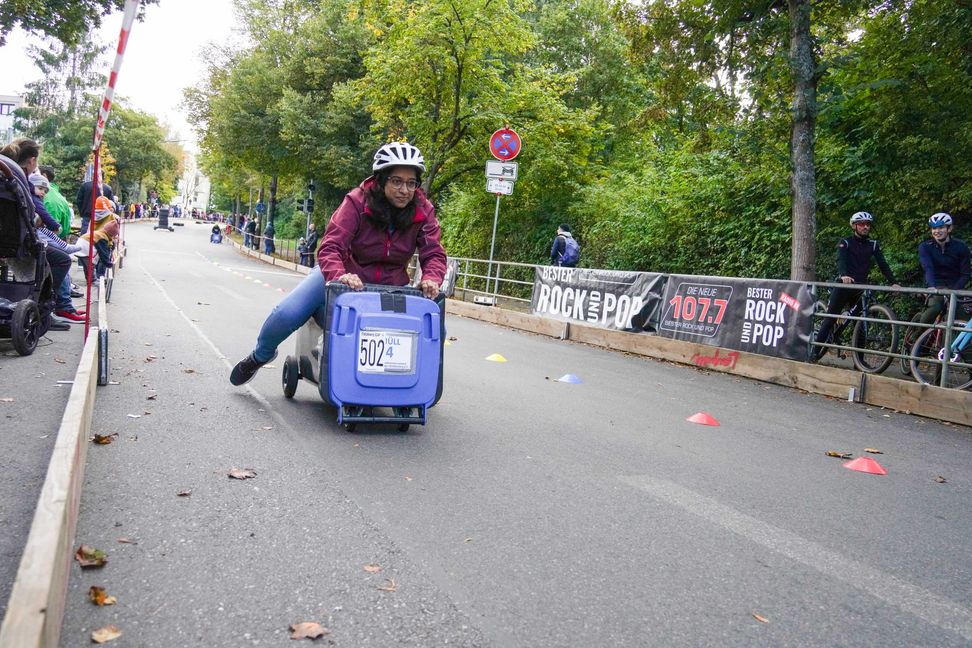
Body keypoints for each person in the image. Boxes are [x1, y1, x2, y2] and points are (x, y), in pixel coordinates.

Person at [230, 142, 446, 386]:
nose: (404, 190)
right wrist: (339, 274)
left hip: (389, 285)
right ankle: (260, 355)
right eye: (396, 181)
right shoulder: (356, 202)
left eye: (411, 183)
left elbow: (434, 253)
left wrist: (431, 278)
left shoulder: (423, 209)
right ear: (381, 179)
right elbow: (331, 246)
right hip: (341, 276)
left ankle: (417, 385)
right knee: (287, 313)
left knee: (434, 328)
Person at [0, 140, 76, 330]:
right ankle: (43, 311)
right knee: (61, 259)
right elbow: (27, 216)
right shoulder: (16, 180)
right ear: (32, 161)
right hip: (15, 241)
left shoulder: (8, 175)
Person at [813, 211, 900, 354]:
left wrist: (894, 282)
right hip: (844, 285)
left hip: (860, 287)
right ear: (854, 226)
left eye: (867, 224)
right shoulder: (845, 242)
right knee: (829, 319)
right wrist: (844, 275)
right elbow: (841, 260)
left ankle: (860, 360)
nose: (865, 227)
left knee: (858, 324)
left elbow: (883, 264)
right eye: (861, 224)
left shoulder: (873, 244)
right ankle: (814, 353)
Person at [917, 212, 971, 326]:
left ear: (949, 228)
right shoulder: (925, 247)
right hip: (936, 285)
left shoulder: (961, 247)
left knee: (963, 317)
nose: (937, 231)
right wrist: (932, 287)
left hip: (955, 286)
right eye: (934, 228)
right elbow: (928, 268)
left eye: (941, 227)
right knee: (935, 307)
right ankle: (916, 337)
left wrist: (954, 291)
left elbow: (966, 274)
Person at [38, 165, 72, 240]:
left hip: (51, 241)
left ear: (44, 176)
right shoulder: (57, 195)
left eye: (35, 173)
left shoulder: (49, 197)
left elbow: (52, 230)